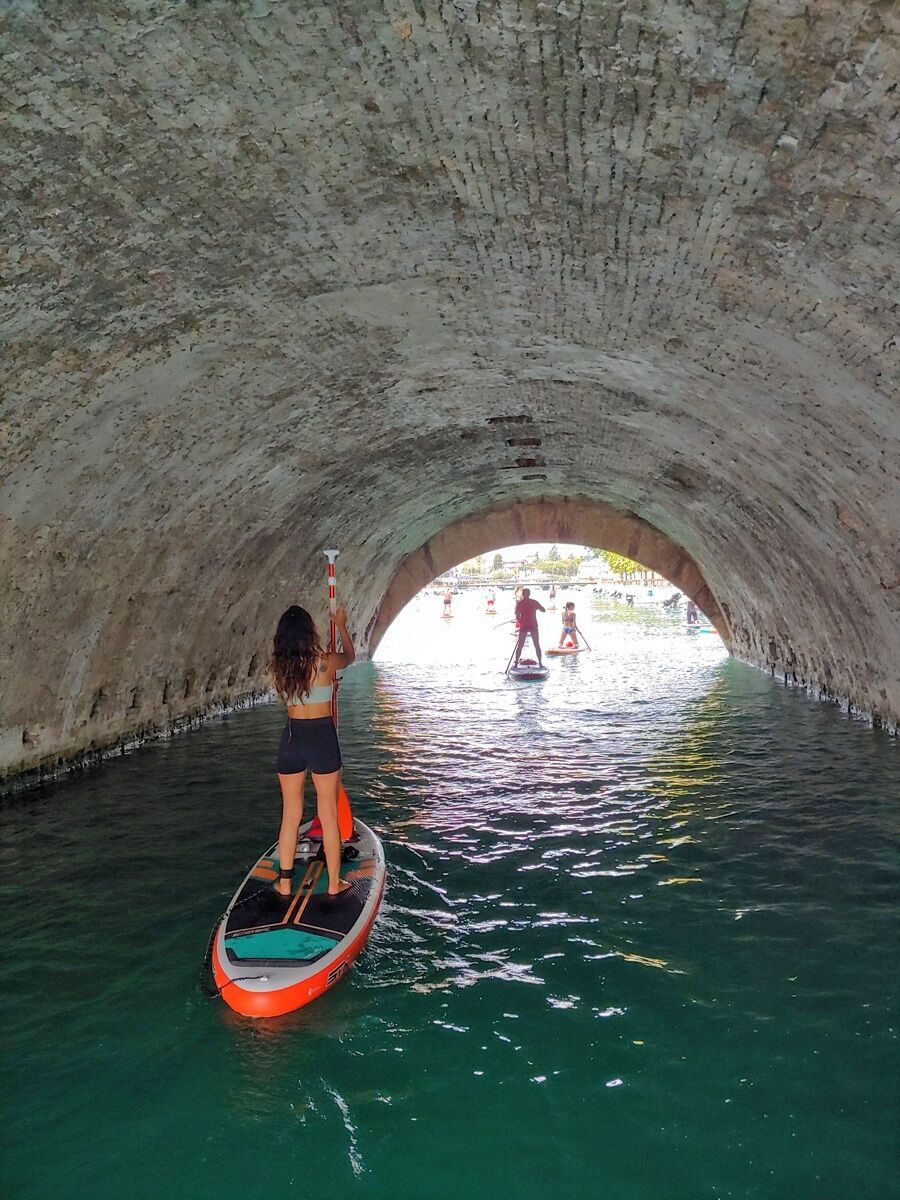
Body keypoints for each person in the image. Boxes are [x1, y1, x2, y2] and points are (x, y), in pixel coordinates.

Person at [268, 604, 355, 900]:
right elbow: (351, 657)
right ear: (310, 631)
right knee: (328, 814)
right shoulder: (325, 662)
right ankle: (333, 883)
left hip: (292, 738)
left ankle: (284, 883)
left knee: (290, 816)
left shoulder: (279, 667)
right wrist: (341, 625)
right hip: (321, 738)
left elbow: (302, 692)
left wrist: (328, 686)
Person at [513, 586, 545, 666]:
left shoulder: (520, 604)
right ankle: (540, 663)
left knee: (520, 645)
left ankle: (516, 663)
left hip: (524, 626)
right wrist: (538, 607)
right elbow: (543, 610)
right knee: (536, 644)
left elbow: (517, 616)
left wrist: (521, 622)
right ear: (529, 594)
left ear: (523, 594)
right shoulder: (534, 602)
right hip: (533, 625)